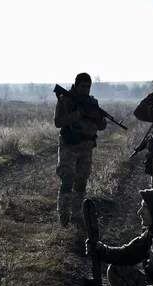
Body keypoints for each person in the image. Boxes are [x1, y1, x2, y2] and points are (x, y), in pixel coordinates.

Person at [54, 72, 107, 226]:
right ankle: (63, 216)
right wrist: (79, 114)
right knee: (67, 179)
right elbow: (58, 122)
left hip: (86, 146)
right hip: (69, 146)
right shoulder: (65, 100)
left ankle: (77, 214)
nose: (86, 89)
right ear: (76, 85)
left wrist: (96, 117)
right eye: (83, 86)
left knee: (81, 181)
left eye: (88, 86)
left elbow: (102, 125)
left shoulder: (92, 102)